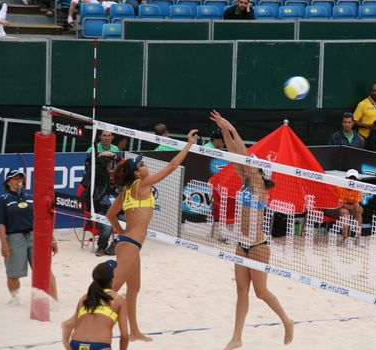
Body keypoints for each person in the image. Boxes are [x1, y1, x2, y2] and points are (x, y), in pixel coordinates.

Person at [209, 110, 294, 350]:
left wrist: (233, 129)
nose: (250, 165)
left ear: (260, 174)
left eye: (254, 165)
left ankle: (287, 321)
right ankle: (237, 337)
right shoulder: (247, 179)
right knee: (241, 291)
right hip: (241, 243)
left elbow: (244, 155)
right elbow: (236, 155)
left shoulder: (259, 186)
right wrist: (225, 129)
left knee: (261, 292)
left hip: (258, 246)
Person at [106, 129, 198, 341]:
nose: (145, 165)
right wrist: (188, 144)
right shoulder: (141, 184)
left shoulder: (127, 190)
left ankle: (134, 332)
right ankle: (88, 327)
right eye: (141, 165)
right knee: (110, 292)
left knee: (134, 289)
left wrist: (122, 235)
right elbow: (173, 165)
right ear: (137, 174)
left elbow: (110, 215)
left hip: (128, 243)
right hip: (130, 244)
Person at [0, 169, 58, 306]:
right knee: (13, 272)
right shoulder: (3, 200)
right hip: (15, 237)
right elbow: (1, 225)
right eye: (15, 178)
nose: (18, 181)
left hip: (34, 235)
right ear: (8, 181)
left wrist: (51, 239)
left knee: (45, 269)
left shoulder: (31, 197)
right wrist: (4, 244)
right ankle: (15, 298)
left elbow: (41, 220)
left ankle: (54, 300)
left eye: (20, 178)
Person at [62, 260, 129, 350]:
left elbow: (70, 325)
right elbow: (124, 336)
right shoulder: (118, 299)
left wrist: (66, 343)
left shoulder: (84, 298)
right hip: (100, 346)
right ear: (112, 280)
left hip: (76, 344)